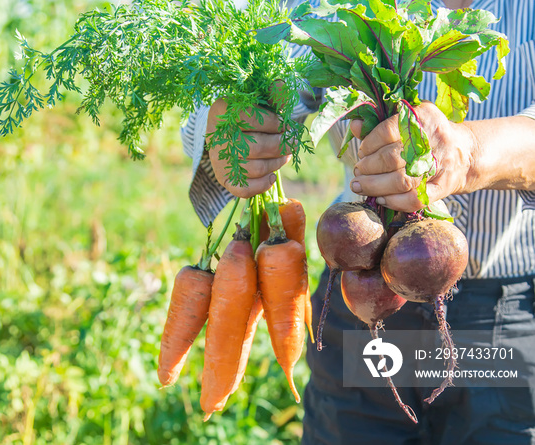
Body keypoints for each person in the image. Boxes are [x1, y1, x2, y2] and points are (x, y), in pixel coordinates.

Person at [181, 0, 535, 443]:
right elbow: (272, 58)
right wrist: (232, 125)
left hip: (505, 314)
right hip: (361, 292)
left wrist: (467, 154)